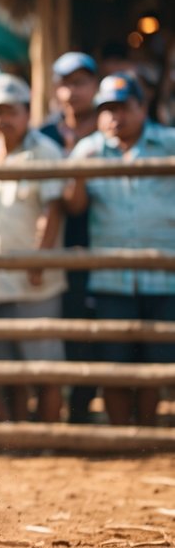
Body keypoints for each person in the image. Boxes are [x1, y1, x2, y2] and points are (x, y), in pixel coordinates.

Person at [63, 73, 175, 427]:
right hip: (111, 277)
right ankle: (121, 435)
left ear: (142, 107)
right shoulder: (88, 150)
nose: (114, 117)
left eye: (122, 107)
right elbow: (74, 206)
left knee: (156, 363)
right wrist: (79, 172)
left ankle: (142, 433)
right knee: (115, 362)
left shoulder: (170, 143)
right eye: (107, 109)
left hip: (164, 275)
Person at [0, 75, 67, 423]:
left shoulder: (43, 150)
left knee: (44, 368)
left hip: (33, 277)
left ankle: (46, 437)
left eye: (11, 111)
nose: (4, 119)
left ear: (27, 113)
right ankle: (16, 438)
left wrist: (38, 260)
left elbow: (52, 209)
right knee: (5, 368)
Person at [40, 51, 101, 422]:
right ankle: (70, 411)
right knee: (65, 329)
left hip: (99, 242)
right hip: (55, 247)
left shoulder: (108, 130)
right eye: (65, 82)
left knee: (94, 329)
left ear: (93, 86)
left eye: (80, 82)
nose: (72, 91)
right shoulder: (45, 134)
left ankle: (83, 409)